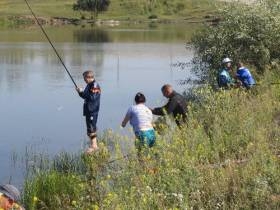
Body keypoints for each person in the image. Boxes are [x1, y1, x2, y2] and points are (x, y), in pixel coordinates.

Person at [77, 70, 101, 154]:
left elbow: (92, 97)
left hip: (92, 110)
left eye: (84, 78)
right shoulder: (89, 85)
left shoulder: (94, 85)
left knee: (91, 128)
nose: (84, 80)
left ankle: (94, 146)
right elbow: (86, 97)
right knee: (90, 128)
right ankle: (93, 145)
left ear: (88, 77)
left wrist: (81, 92)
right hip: (89, 110)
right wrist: (80, 92)